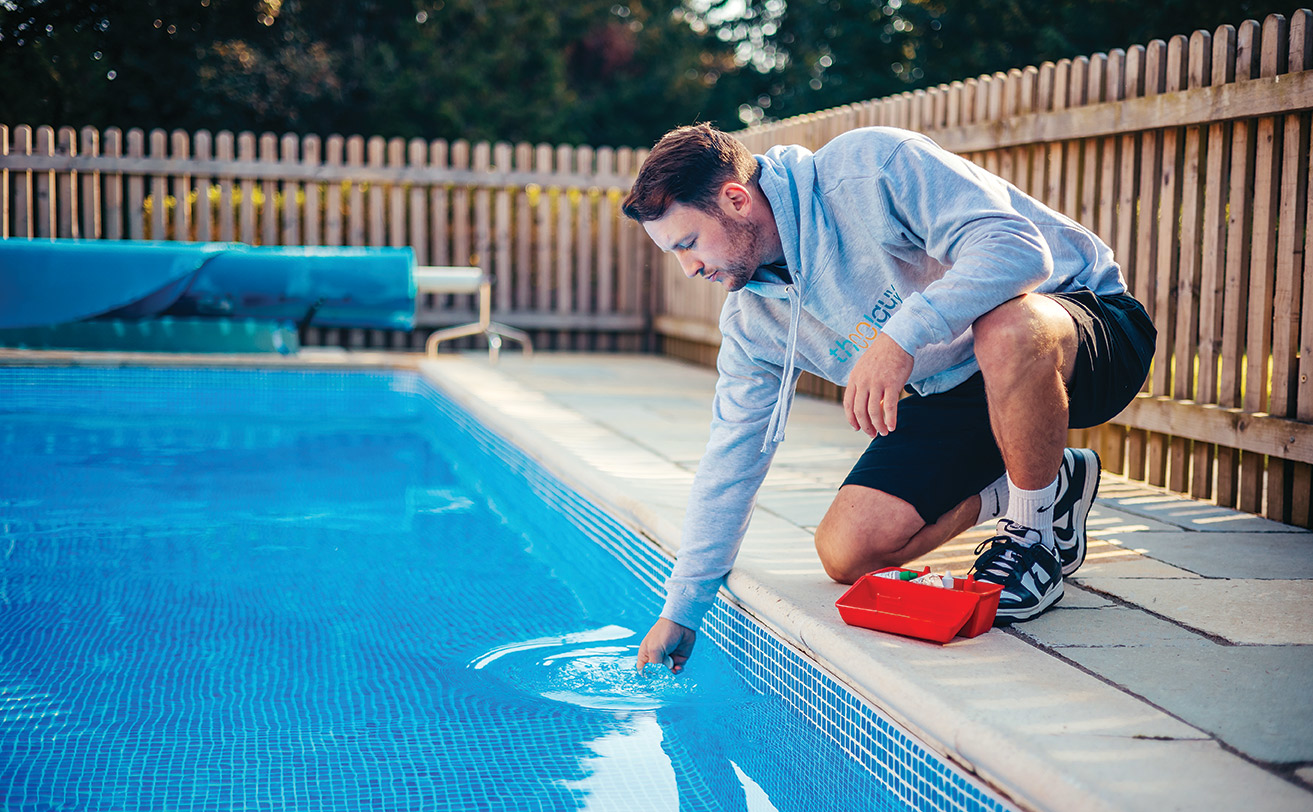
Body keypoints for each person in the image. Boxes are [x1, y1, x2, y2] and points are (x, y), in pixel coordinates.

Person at [622, 123, 1155, 675]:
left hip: (1081, 325)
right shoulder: (756, 321)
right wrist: (683, 608)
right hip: (957, 383)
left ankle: (1034, 533)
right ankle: (1051, 480)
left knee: (1007, 327)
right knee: (848, 549)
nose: (689, 268)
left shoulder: (867, 168)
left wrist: (900, 336)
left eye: (688, 243)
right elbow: (732, 455)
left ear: (735, 198)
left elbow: (1020, 251)